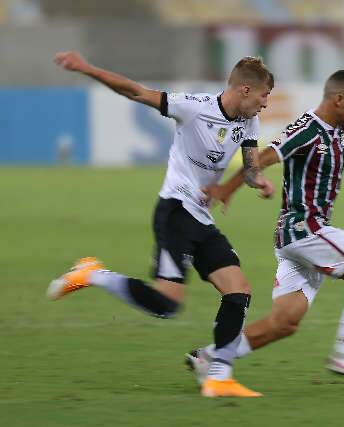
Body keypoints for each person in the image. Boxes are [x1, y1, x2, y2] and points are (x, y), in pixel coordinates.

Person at [47, 51, 275, 398]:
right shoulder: (194, 107)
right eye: (263, 97)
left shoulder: (249, 123)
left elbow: (249, 167)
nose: (265, 105)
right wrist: (86, 68)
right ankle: (91, 274)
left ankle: (217, 375)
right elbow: (137, 92)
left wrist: (259, 181)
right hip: (175, 211)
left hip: (201, 217)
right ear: (245, 90)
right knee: (167, 305)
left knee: (238, 291)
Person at [187, 70, 344, 383]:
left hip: (298, 238)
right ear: (338, 99)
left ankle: (209, 357)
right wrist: (226, 188)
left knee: (284, 323)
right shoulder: (308, 128)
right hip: (305, 229)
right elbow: (265, 157)